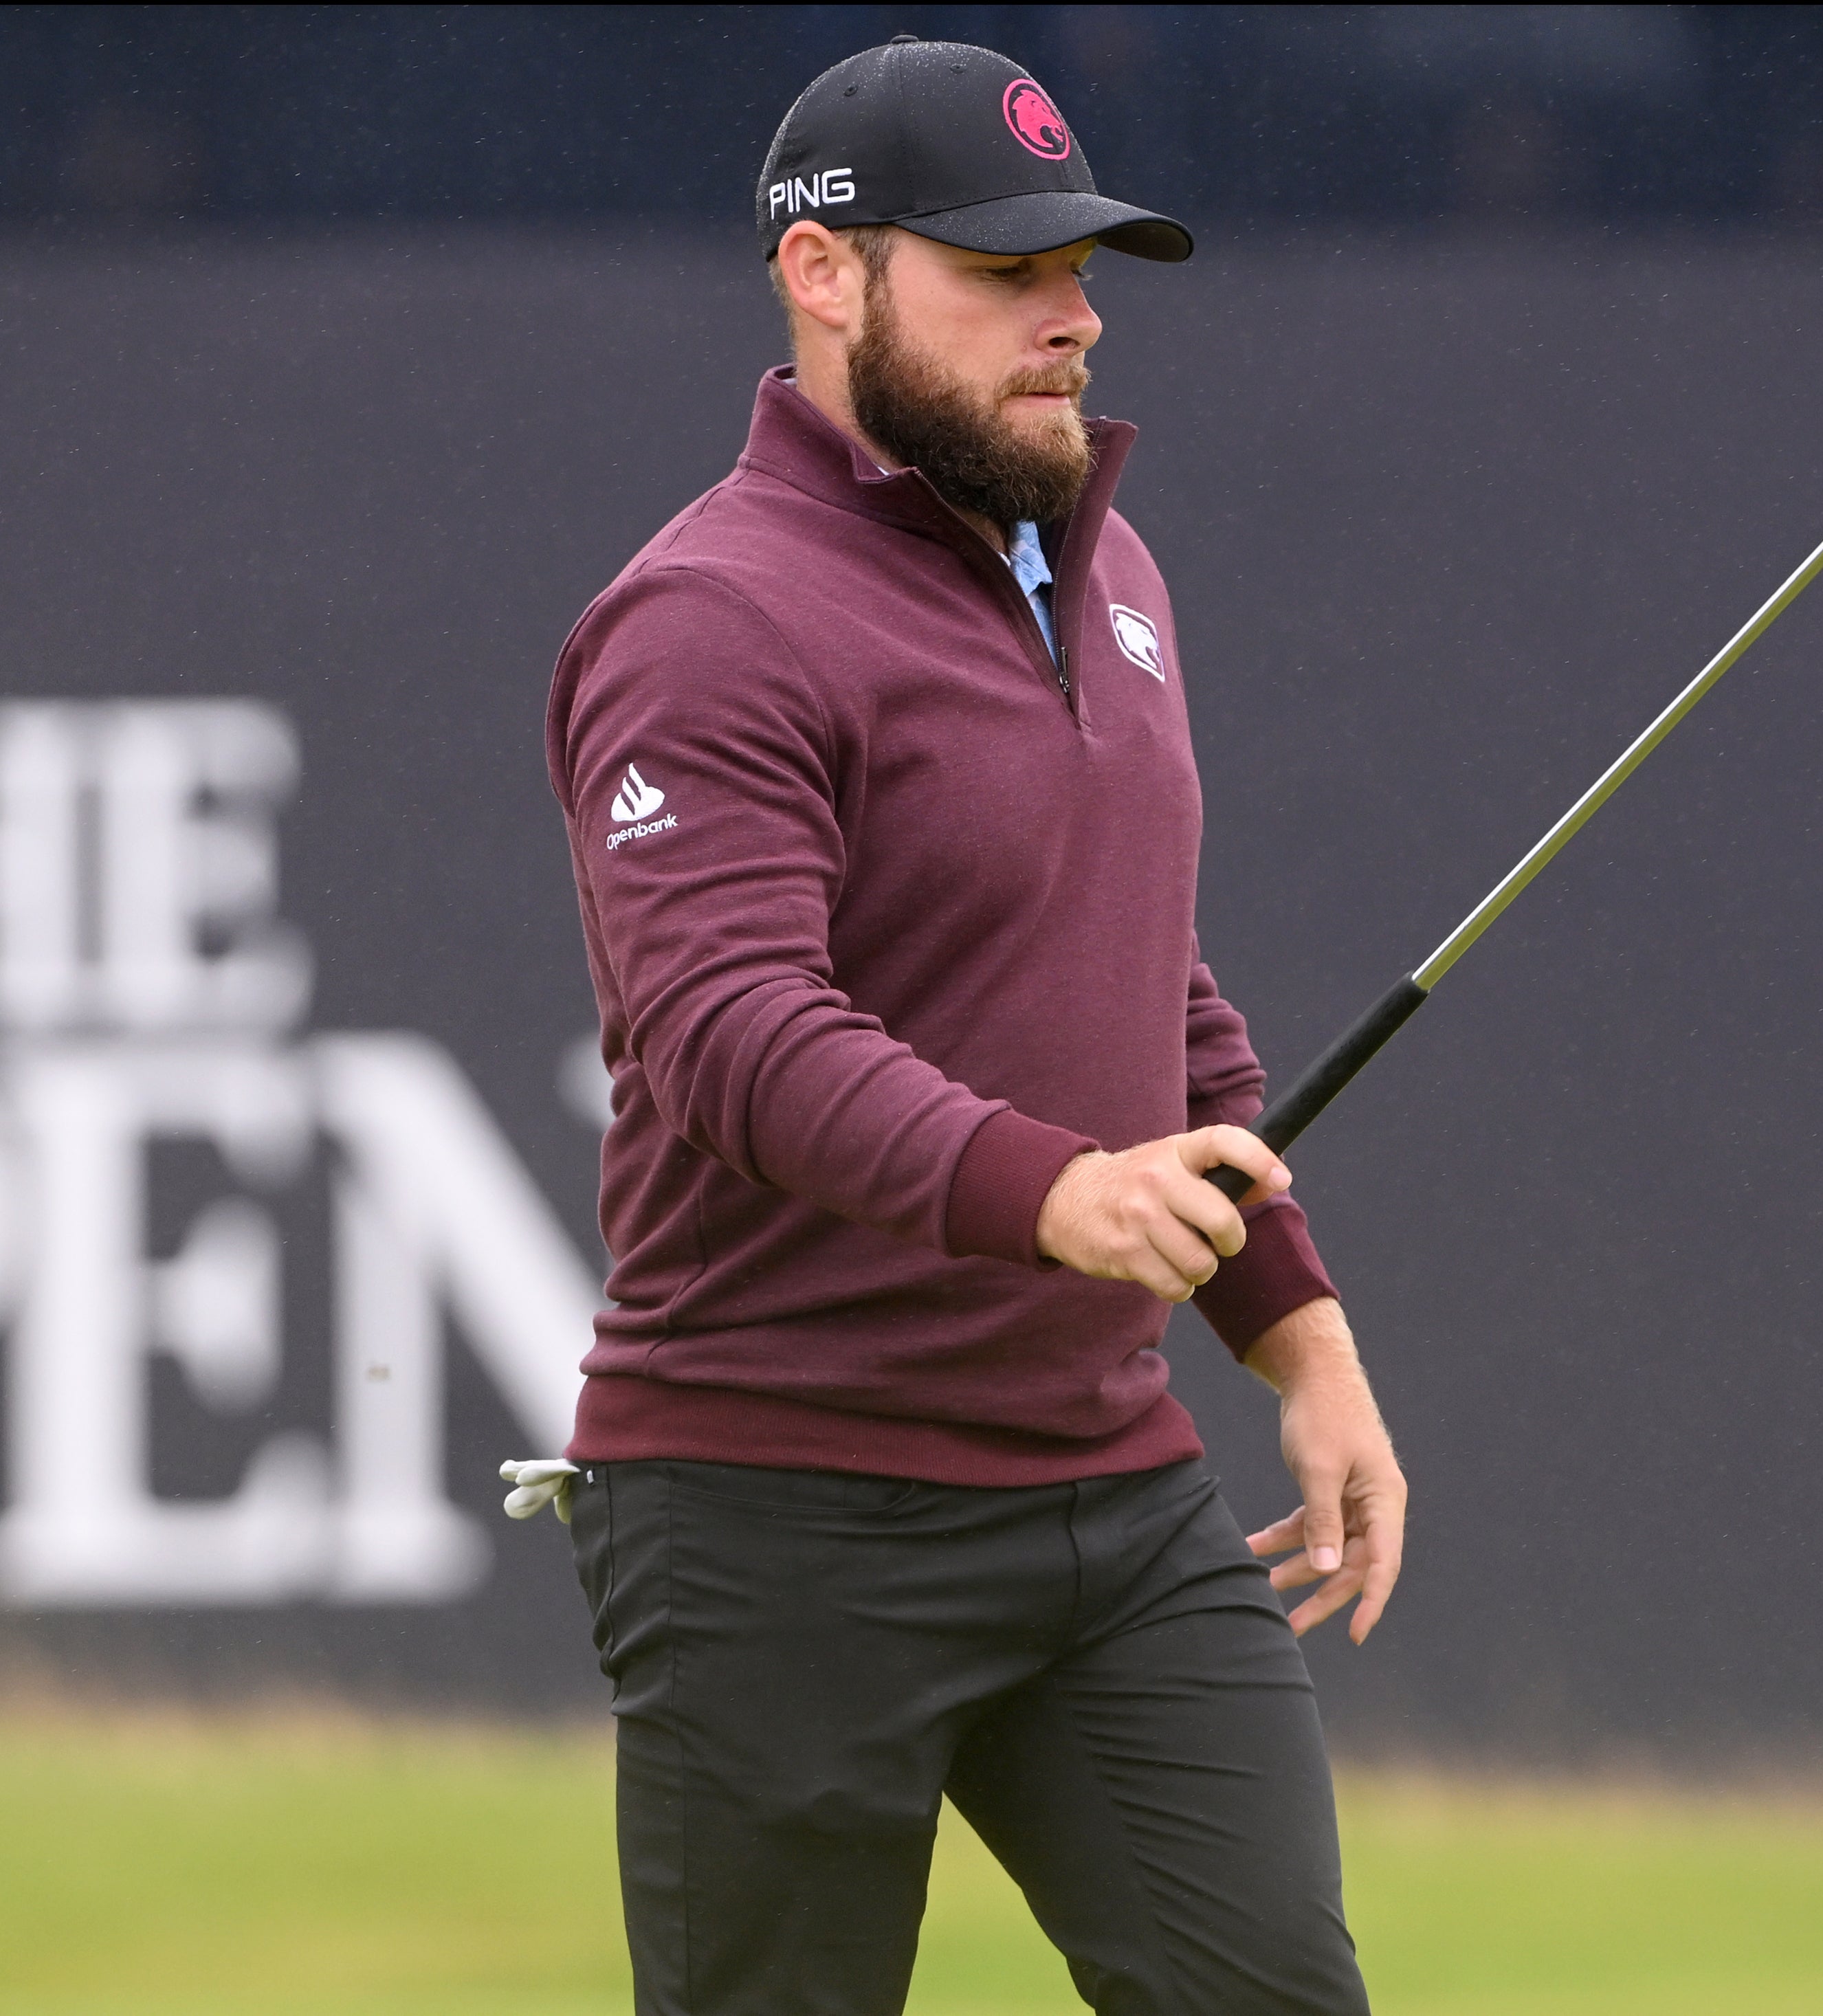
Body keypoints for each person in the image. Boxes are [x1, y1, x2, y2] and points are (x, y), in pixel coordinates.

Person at [533, 38, 1406, 2016]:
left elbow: (1148, 981)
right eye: (1005, 274)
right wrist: (1057, 1194)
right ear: (824, 275)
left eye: (1080, 272)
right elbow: (730, 1033)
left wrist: (1300, 1333)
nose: (1074, 319)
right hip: (779, 1513)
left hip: (1112, 1500)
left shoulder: (1106, 577)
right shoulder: (705, 621)